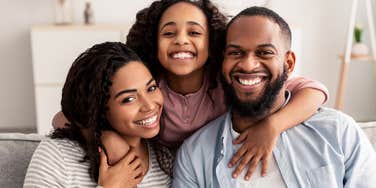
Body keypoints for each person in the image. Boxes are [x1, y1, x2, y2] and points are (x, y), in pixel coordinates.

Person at [54, 0, 329, 178]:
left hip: (215, 166)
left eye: (194, 33)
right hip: (174, 172)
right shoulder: (150, 89)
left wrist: (272, 125)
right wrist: (101, 134)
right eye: (169, 33)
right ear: (154, 41)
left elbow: (313, 91)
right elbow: (64, 116)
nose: (181, 41)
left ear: (213, 42)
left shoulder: (228, 81)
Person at [173, 6, 376, 188]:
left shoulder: (339, 133)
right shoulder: (195, 154)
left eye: (264, 53)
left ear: (288, 63)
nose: (248, 65)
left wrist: (272, 125)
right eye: (235, 53)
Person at [24, 42, 171, 187]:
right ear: (98, 107)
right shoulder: (57, 157)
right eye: (128, 99)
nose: (150, 105)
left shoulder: (164, 158)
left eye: (151, 88)